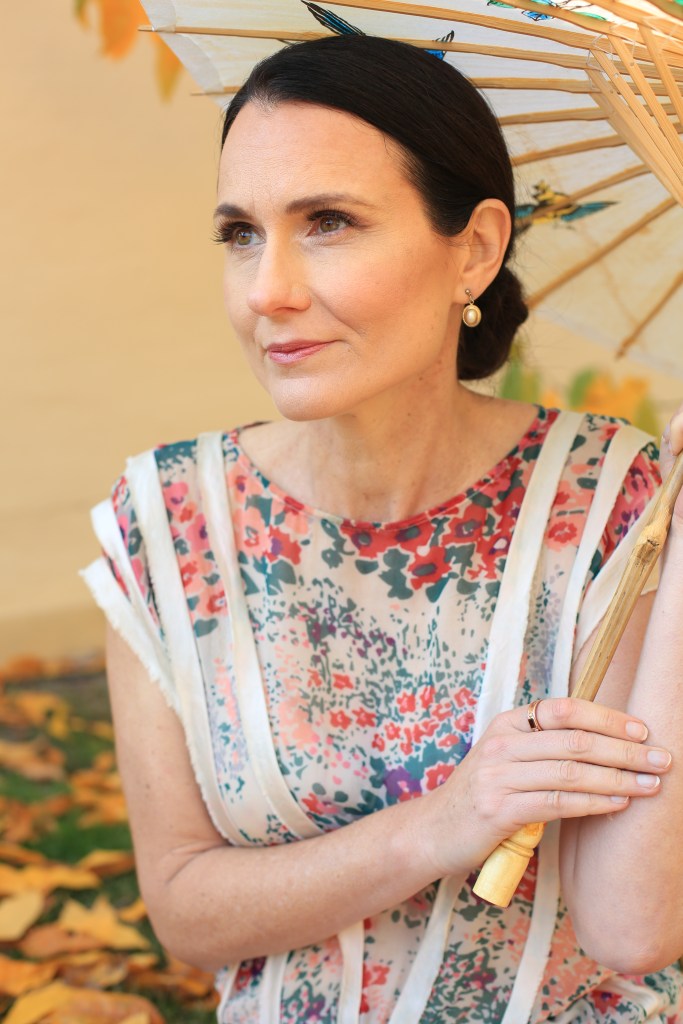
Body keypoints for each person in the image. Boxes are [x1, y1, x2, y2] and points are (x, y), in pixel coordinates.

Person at [79, 34, 683, 1024]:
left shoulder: (611, 497)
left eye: (328, 223)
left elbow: (631, 929)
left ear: (474, 249)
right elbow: (185, 910)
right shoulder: (168, 519)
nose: (266, 290)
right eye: (240, 233)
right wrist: (440, 824)